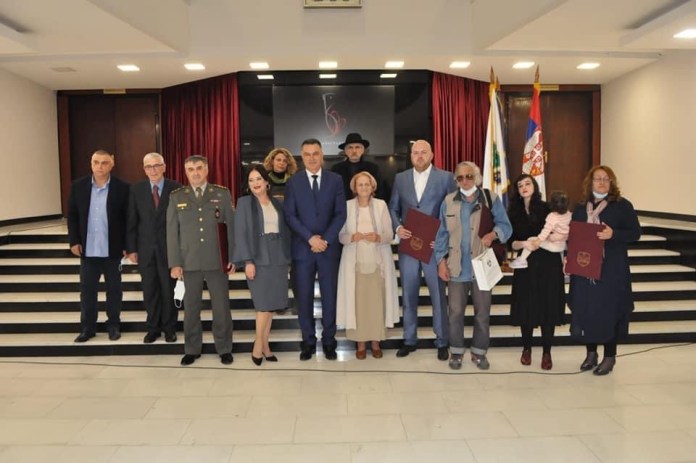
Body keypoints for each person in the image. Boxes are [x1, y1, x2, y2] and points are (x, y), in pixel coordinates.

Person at [435, 162, 512, 370]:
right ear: (456, 181)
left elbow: (506, 226)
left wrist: (493, 234)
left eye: (469, 176)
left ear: (476, 178)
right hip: (456, 267)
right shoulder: (448, 201)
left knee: (482, 314)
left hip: (482, 267)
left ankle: (479, 352)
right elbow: (441, 234)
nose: (465, 181)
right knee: (455, 314)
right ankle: (456, 352)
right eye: (460, 177)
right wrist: (440, 261)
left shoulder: (490, 198)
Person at [568, 165, 640, 375]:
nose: (601, 182)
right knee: (587, 311)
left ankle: (609, 357)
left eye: (606, 179)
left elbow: (635, 233)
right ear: (590, 182)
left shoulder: (622, 206)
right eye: (597, 179)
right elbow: (574, 237)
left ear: (611, 183)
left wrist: (613, 234)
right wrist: (567, 257)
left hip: (611, 271)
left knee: (610, 313)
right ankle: (591, 354)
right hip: (585, 270)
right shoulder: (581, 207)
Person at [389, 139, 457, 360]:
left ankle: (442, 341)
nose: (419, 156)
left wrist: (442, 239)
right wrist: (398, 227)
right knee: (409, 295)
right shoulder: (400, 178)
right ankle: (409, 339)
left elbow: (452, 210)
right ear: (410, 156)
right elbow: (393, 208)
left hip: (433, 247)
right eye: (415, 153)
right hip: (409, 247)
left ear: (432, 154)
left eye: (423, 152)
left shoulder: (446, 178)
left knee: (438, 296)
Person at [166, 155, 236, 366]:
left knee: (221, 308)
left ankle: (224, 348)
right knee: (191, 308)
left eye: (198, 168)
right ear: (185, 172)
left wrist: (233, 257)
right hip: (189, 261)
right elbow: (172, 232)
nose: (195, 172)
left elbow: (231, 228)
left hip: (217, 260)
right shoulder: (177, 197)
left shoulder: (221, 194)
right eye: (190, 169)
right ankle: (192, 349)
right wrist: (175, 262)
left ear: (206, 170)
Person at [284, 138, 347, 361]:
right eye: (307, 154)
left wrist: (325, 240)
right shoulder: (293, 182)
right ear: (302, 157)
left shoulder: (335, 180)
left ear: (322, 155)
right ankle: (308, 342)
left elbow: (340, 214)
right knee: (304, 299)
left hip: (329, 250)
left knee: (330, 298)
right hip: (303, 250)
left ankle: (329, 341)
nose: (311, 158)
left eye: (315, 153)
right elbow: (290, 215)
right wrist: (310, 238)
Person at [67, 149, 130, 343]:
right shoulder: (78, 186)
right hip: (88, 250)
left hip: (113, 250)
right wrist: (74, 241)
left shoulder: (123, 187)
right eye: (96, 162)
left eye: (104, 163)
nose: (100, 166)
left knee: (114, 290)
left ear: (112, 164)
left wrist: (127, 245)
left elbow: (128, 219)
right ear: (91, 163)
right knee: (87, 291)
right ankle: (88, 328)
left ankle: (113, 325)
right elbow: (72, 216)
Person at [336, 171, 400, 359]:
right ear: (354, 188)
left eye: (367, 184)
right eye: (360, 184)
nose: (363, 187)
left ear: (373, 187)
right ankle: (360, 343)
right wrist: (351, 237)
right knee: (358, 305)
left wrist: (378, 237)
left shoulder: (381, 205)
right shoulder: (346, 206)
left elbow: (390, 234)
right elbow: (340, 236)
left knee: (376, 304)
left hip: (377, 263)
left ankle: (376, 342)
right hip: (354, 263)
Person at [233, 166, 291, 365]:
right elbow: (240, 233)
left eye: (258, 179)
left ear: (267, 182)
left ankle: (266, 346)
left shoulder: (278, 203)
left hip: (278, 258)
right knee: (262, 305)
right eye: (251, 180)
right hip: (257, 258)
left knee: (271, 306)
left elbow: (286, 230)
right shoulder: (244, 203)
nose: (255, 183)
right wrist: (247, 261)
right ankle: (258, 346)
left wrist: (287, 258)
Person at [507, 175, 566, 370]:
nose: (524, 187)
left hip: (548, 263)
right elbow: (510, 242)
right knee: (526, 306)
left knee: (548, 307)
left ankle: (547, 352)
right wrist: (524, 243)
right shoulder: (513, 212)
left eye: (527, 184)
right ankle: (526, 349)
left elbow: (560, 231)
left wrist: (544, 241)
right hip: (525, 265)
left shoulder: (547, 208)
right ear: (517, 191)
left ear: (535, 186)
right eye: (520, 185)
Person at [126, 152, 183, 344]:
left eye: (157, 165)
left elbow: (181, 223)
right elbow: (132, 220)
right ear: (144, 169)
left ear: (164, 167)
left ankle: (170, 328)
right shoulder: (136, 190)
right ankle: (153, 328)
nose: (153, 170)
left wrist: (181, 251)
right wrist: (131, 248)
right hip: (145, 250)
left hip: (170, 250)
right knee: (149, 290)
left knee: (168, 290)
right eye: (149, 166)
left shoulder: (176, 188)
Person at [509, 190, 571, 270]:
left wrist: (538, 241)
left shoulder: (552, 217)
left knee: (531, 239)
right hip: (563, 246)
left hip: (554, 246)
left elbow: (545, 232)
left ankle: (522, 260)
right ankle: (565, 267)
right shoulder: (569, 214)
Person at [331, 132, 386, 200]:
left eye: (357, 147)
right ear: (345, 151)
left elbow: (380, 191)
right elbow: (332, 192)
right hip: (343, 205)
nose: (354, 151)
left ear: (363, 150)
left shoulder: (373, 169)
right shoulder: (336, 169)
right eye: (350, 147)